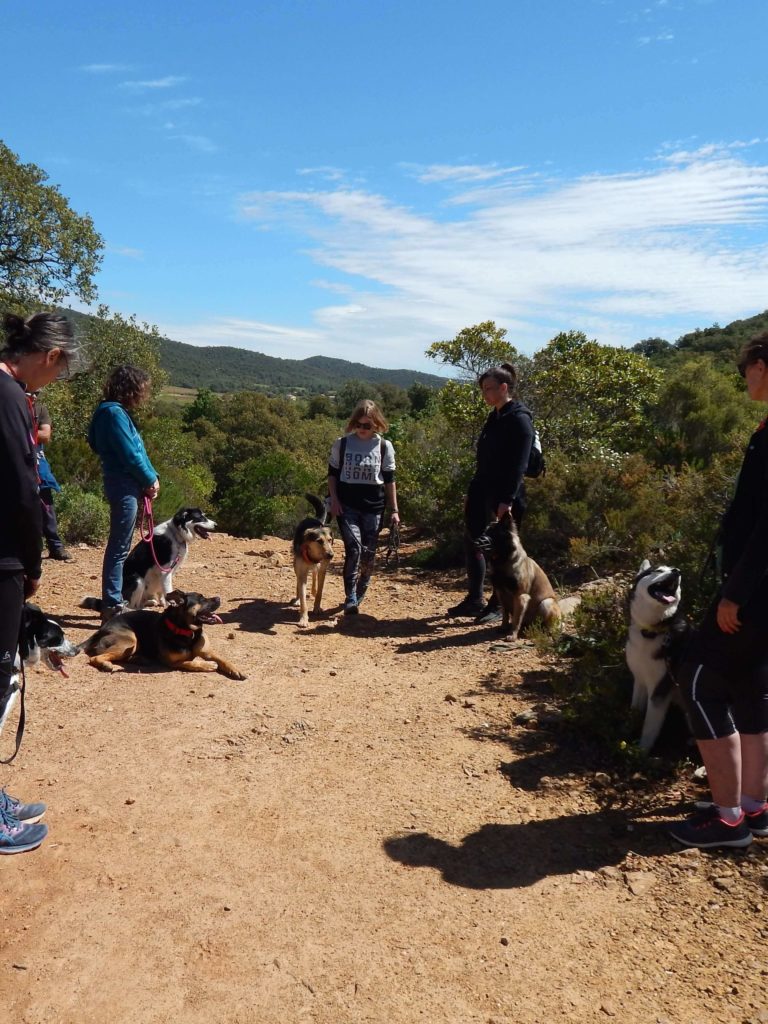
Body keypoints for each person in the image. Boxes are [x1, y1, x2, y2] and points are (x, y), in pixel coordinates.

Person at [669, 333, 768, 849]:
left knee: (701, 678)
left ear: (762, 365)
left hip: (756, 595)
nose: (743, 375)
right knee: (752, 689)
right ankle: (754, 805)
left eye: (746, 366)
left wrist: (735, 594)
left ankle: (728, 819)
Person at [0, 311, 78, 854]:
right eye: (61, 370)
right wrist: (32, 563)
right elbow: (23, 493)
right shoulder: (8, 397)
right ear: (50, 356)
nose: (56, 380)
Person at [447, 362, 534, 624]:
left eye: (489, 389)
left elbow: (519, 465)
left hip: (506, 496)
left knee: (501, 552)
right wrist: (472, 493)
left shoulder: (519, 419)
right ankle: (475, 599)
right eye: (483, 389)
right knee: (473, 540)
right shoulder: (495, 415)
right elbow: (484, 459)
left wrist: (506, 500)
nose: (484, 394)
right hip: (483, 489)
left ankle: (499, 606)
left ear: (504, 388)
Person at [87, 365, 159, 622]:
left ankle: (113, 601)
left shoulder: (107, 412)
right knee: (119, 547)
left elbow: (99, 444)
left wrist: (152, 477)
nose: (143, 393)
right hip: (124, 485)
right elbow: (131, 454)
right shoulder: (114, 414)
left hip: (121, 483)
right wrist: (149, 479)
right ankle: (113, 605)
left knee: (120, 545)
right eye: (141, 388)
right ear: (130, 388)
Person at [328, 399, 400, 615]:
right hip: (347, 505)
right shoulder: (341, 444)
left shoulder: (384, 447)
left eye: (367, 425)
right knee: (354, 549)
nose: (361, 429)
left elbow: (389, 480)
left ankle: (360, 592)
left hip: (374, 507)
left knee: (369, 553)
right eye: (358, 424)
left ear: (376, 424)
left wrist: (394, 510)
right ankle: (350, 597)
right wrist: (334, 500)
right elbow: (332, 475)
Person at [31, 391, 71, 561]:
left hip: (38, 464)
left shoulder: (40, 409)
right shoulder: (10, 404)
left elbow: (45, 435)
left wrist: (19, 433)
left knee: (46, 505)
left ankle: (55, 546)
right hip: (14, 464)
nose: (34, 395)